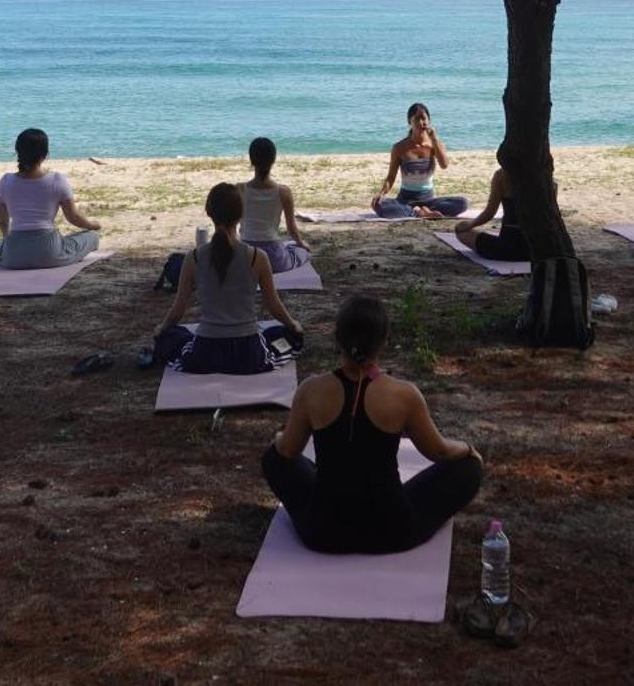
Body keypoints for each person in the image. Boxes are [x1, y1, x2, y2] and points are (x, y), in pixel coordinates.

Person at [262, 294, 485, 553]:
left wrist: (277, 439)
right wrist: (469, 449)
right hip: (392, 531)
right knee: (468, 468)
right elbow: (440, 451)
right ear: (383, 342)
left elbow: (287, 451)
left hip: (323, 531)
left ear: (338, 339)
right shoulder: (404, 394)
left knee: (273, 457)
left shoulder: (311, 390)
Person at [148, 183, 305, 372]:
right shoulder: (257, 257)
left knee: (171, 336)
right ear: (241, 214)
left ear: (208, 212)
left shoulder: (194, 257)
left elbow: (178, 309)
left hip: (206, 353)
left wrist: (161, 328)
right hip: (248, 353)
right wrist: (292, 325)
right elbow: (273, 304)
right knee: (285, 335)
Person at [0, 127, 104, 269]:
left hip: (14, 258)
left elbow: (3, 222)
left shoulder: (5, 181)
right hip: (48, 252)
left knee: (1, 244)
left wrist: (9, 241)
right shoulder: (57, 180)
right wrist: (93, 226)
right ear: (45, 155)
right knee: (92, 237)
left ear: (18, 152)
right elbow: (73, 217)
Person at [371, 103, 468, 218]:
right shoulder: (399, 148)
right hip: (405, 200)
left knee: (462, 203)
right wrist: (382, 193)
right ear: (409, 122)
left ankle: (419, 211)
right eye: (417, 119)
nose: (422, 122)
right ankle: (419, 212)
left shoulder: (434, 144)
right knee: (379, 205)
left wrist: (435, 140)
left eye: (424, 118)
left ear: (429, 121)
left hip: (429, 200)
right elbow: (391, 176)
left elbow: (444, 164)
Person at [240, 137, 310, 273]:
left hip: (245, 257)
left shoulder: (239, 190)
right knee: (299, 251)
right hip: (273, 258)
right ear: (273, 160)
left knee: (288, 246)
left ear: (251, 160)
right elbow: (292, 229)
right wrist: (302, 244)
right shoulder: (283, 192)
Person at [453, 166, 529, 262]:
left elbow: (489, 214)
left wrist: (469, 225)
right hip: (541, 250)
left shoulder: (502, 175)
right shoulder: (546, 176)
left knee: (462, 230)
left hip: (509, 249)